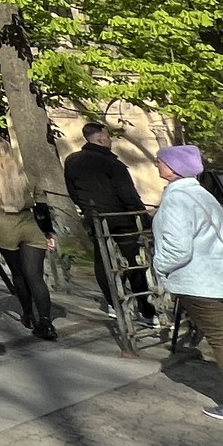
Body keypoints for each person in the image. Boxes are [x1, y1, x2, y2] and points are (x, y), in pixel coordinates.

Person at [151, 145, 223, 428]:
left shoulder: (176, 199)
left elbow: (178, 248)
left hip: (198, 283)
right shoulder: (205, 195)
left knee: (222, 342)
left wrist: (158, 266)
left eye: (161, 161)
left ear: (173, 167)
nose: (157, 164)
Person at [65, 120, 153, 325]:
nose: (111, 140)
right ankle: (145, 307)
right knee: (134, 261)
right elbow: (128, 194)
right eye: (108, 136)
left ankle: (114, 302)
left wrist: (87, 208)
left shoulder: (72, 161)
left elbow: (73, 191)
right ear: (100, 138)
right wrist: (143, 217)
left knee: (103, 259)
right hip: (121, 218)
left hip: (95, 216)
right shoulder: (113, 164)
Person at [0, 138, 58, 340]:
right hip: (29, 223)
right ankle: (45, 321)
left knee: (18, 273)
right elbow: (42, 205)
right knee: (35, 276)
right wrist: (48, 231)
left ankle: (28, 313)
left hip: (4, 225)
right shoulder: (24, 174)